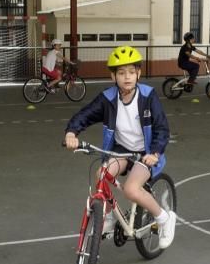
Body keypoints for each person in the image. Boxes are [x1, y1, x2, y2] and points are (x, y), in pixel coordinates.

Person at [63, 45, 177, 248]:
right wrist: (72, 132)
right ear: (112, 76)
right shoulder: (108, 98)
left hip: (145, 153)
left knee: (132, 190)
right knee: (101, 174)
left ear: (139, 74)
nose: (127, 77)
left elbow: (161, 128)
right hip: (121, 150)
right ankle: (108, 217)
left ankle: (164, 218)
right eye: (122, 73)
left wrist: (155, 153)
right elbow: (86, 114)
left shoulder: (148, 96)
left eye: (132, 72)